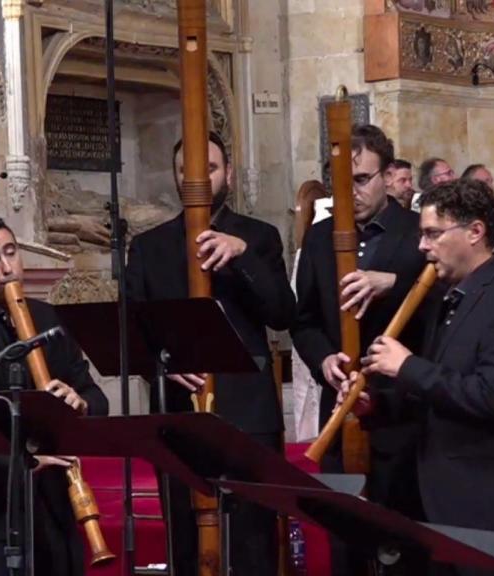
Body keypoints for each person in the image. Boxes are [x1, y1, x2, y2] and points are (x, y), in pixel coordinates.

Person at [348, 178, 494, 574]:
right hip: (441, 502)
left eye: (432, 234)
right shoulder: (447, 296)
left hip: (492, 509)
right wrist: (375, 405)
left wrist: (406, 366)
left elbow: (491, 396)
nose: (422, 246)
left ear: (475, 232)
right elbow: (434, 394)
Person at [126, 131, 296, 576]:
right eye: (187, 171)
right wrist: (161, 365)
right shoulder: (148, 248)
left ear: (229, 173)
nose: (198, 178)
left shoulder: (258, 237)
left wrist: (242, 258)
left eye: (211, 169)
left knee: (252, 543)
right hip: (179, 416)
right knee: (186, 542)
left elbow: (282, 313)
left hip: (248, 415)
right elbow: (131, 334)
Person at [0, 215, 109, 576]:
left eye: (11, 253)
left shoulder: (50, 319)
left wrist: (80, 401)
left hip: (55, 505)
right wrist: (25, 461)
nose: (7, 268)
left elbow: (96, 398)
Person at [291, 125, 431, 574]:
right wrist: (323, 360)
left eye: (362, 179)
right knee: (344, 543)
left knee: (401, 539)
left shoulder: (416, 233)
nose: (351, 191)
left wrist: (391, 284)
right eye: (341, 182)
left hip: (400, 412)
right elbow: (304, 318)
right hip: (340, 404)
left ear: (389, 176)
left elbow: (445, 305)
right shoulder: (318, 237)